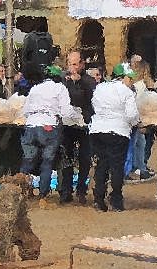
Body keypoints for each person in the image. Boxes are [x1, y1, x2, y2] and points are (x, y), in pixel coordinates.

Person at [90, 62, 140, 211]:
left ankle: (99, 200)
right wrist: (136, 122)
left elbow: (94, 105)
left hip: (97, 130)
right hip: (118, 131)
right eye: (129, 78)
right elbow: (132, 115)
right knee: (117, 166)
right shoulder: (127, 92)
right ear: (123, 77)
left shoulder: (100, 88)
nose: (131, 81)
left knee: (101, 165)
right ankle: (116, 200)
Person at [20, 65, 75, 200]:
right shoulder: (60, 88)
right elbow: (66, 112)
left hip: (31, 125)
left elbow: (25, 110)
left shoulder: (35, 88)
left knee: (28, 160)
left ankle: (20, 191)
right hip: (48, 125)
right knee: (47, 161)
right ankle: (43, 194)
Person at [61, 51, 96, 204]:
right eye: (70, 64)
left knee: (85, 158)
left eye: (76, 64)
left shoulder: (89, 80)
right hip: (67, 124)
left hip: (85, 124)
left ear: (82, 64)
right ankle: (66, 190)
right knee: (66, 157)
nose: (73, 67)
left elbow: (90, 97)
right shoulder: (63, 80)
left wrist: (79, 81)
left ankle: (81, 189)